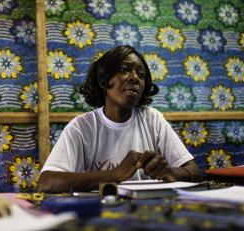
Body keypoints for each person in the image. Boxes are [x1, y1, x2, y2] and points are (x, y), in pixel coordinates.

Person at [38, 45, 202, 193]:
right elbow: (46, 183)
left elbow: (195, 172)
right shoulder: (81, 127)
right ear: (104, 79)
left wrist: (169, 172)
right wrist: (114, 174)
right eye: (124, 70)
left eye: (141, 74)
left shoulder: (153, 119)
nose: (134, 78)